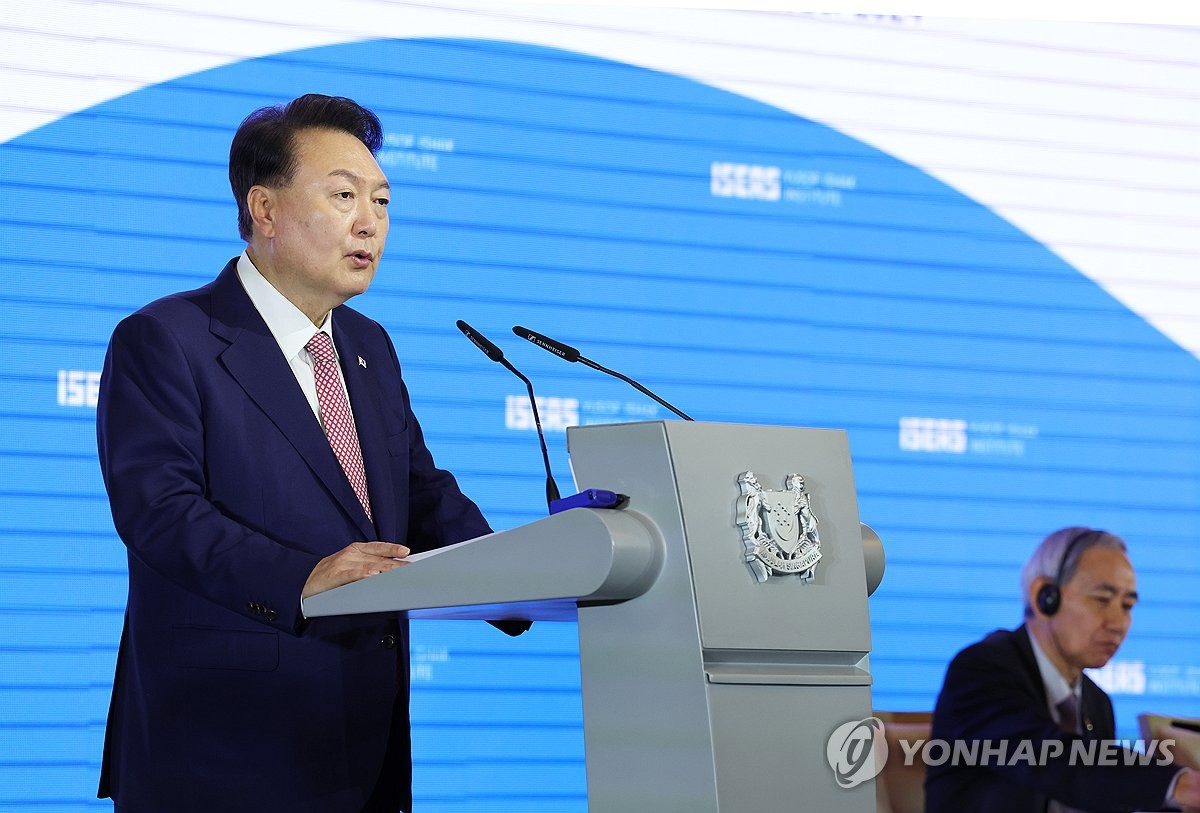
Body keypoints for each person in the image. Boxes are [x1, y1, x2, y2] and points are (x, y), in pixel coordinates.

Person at [96, 94, 519, 813]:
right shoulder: (167, 338)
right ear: (265, 210)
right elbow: (160, 514)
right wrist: (304, 576)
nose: (370, 222)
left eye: (382, 200)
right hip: (222, 749)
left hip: (362, 752)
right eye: (344, 196)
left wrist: (525, 571)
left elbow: (420, 493)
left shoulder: (368, 347)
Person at [925, 527, 1200, 812]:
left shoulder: (1097, 702)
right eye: (1102, 600)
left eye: (1127, 605)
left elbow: (1101, 792)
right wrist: (1179, 785)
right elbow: (1049, 757)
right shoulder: (981, 670)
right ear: (1044, 596)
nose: (1118, 623)